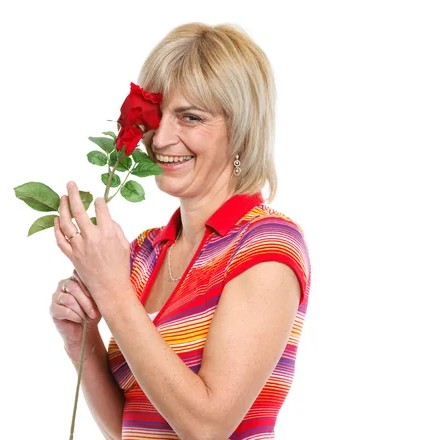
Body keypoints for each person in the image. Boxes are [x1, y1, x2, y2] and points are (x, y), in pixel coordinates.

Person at [50, 22, 311, 439]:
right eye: (159, 115)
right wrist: (81, 341)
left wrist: (112, 292)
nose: (161, 138)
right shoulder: (145, 253)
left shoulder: (267, 244)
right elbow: (129, 429)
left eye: (190, 117)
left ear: (241, 132)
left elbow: (206, 427)